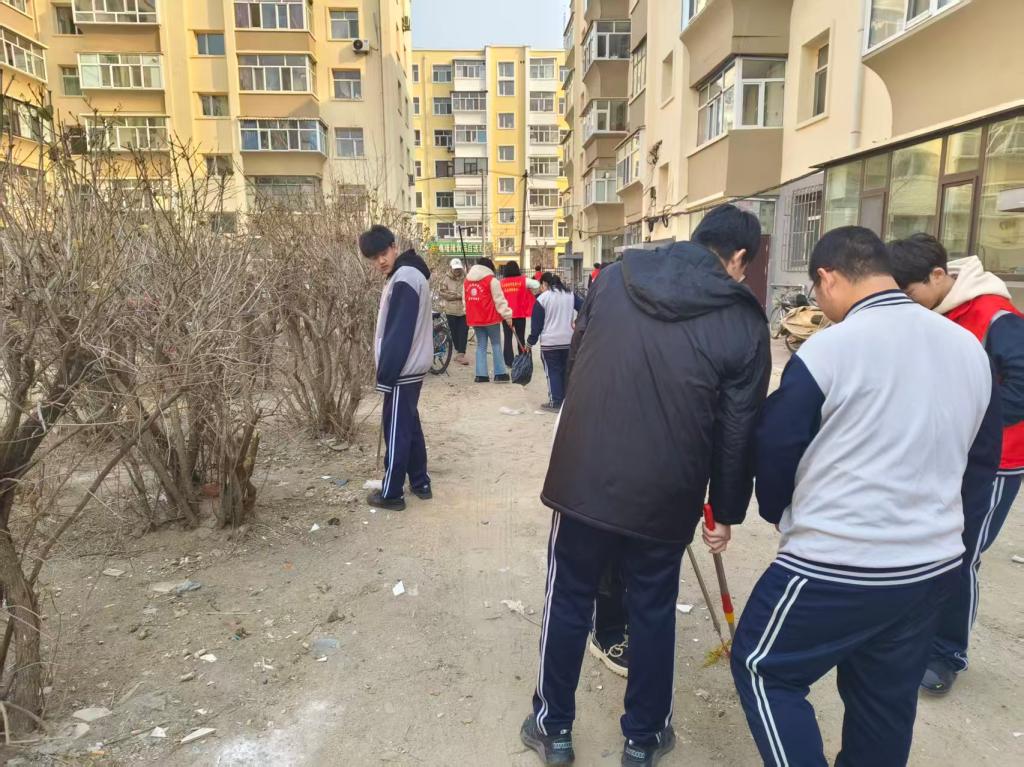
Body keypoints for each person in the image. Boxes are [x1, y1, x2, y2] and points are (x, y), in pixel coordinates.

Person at [736, 227, 1000, 767]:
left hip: (839, 562)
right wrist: (951, 534)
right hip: (930, 566)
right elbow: (982, 460)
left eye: (817, 293)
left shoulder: (831, 348)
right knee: (884, 699)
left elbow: (778, 442)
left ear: (828, 278)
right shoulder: (966, 346)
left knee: (763, 666)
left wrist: (778, 509)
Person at [520, 204, 770, 767]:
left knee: (569, 597)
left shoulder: (614, 280)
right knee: (653, 609)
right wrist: (726, 509)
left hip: (584, 476)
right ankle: (644, 738)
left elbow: (579, 363)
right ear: (737, 258)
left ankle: (552, 727)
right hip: (667, 491)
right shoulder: (743, 319)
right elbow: (737, 431)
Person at [887, 233, 1024, 696]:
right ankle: (914, 637)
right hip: (945, 453)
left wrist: (967, 422)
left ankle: (946, 653)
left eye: (909, 293)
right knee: (925, 546)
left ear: (937, 276)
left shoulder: (995, 317)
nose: (906, 303)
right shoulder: (933, 315)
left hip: (995, 461)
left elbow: (1020, 389)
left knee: (961, 554)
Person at [359, 226, 435, 512]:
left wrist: (386, 374)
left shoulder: (404, 278)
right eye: (374, 258)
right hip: (412, 364)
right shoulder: (408, 275)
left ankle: (391, 493)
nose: (380, 261)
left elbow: (398, 333)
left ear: (394, 246)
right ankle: (420, 481)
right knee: (409, 425)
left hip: (403, 367)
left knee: (396, 429)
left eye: (383, 253)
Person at [526, 273, 582, 412]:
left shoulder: (542, 298)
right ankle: (566, 402)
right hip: (568, 341)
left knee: (553, 371)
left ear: (545, 284)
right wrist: (577, 322)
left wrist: (530, 342)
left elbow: (536, 325)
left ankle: (556, 402)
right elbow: (585, 308)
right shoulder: (570, 295)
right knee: (566, 371)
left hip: (550, 343)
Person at [464, 257, 513, 383]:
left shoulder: (466, 281)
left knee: (481, 345)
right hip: (491, 318)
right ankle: (500, 373)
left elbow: (465, 301)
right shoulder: (492, 280)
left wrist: (469, 314)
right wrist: (507, 316)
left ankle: (481, 375)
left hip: (475, 319)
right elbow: (499, 300)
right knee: (496, 344)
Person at [500, 262, 540, 368]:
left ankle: (509, 362)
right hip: (520, 314)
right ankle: (522, 359)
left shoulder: (501, 283)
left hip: (506, 315)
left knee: (507, 338)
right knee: (521, 337)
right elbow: (537, 284)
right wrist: (530, 290)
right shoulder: (523, 280)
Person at [437, 258, 470, 366]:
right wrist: (456, 296)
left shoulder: (466, 278)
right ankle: (458, 350)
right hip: (450, 311)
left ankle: (461, 353)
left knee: (464, 331)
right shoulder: (445, 279)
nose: (457, 271)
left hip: (464, 310)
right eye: (455, 269)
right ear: (451, 268)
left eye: (459, 268)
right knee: (454, 332)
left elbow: (469, 291)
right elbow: (442, 293)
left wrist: (459, 295)